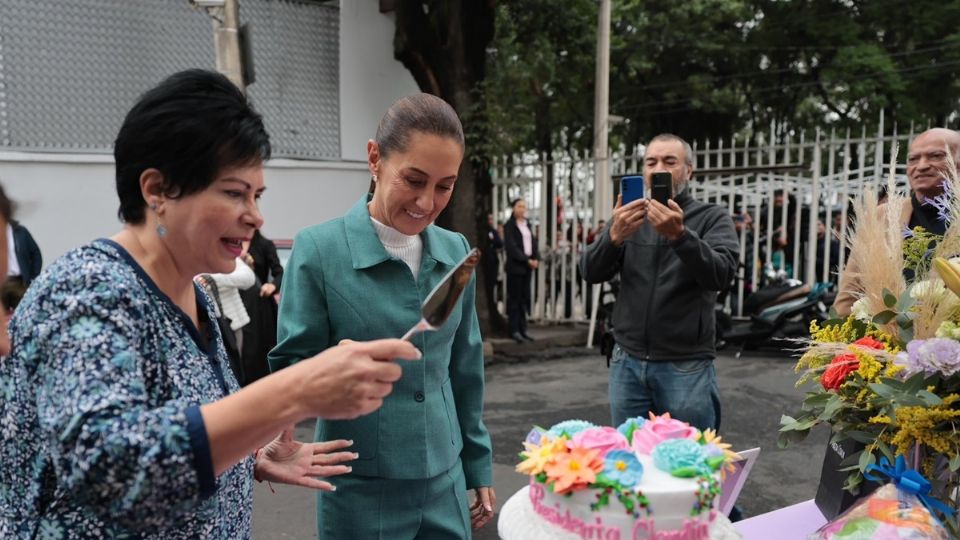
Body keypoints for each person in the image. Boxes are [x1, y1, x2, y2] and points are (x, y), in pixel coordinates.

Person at [0, 69, 421, 539]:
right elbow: (109, 469)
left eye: (257, 195)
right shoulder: (87, 291)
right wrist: (293, 391)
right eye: (234, 192)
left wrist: (248, 456)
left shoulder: (192, 290)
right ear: (157, 190)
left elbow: (177, 431)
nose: (255, 215)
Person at [268, 93, 495, 539]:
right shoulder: (319, 250)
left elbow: (465, 369)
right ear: (375, 159)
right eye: (413, 180)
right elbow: (291, 369)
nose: (426, 202)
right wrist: (334, 368)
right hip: (360, 488)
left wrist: (477, 464)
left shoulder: (454, 253)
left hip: (445, 478)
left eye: (444, 186)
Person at [580, 133, 739, 431]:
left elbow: (722, 274)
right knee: (629, 463)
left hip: (685, 365)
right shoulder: (628, 218)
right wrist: (613, 237)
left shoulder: (711, 217)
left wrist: (681, 236)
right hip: (626, 361)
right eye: (651, 162)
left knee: (691, 465)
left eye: (669, 161)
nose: (658, 169)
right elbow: (590, 271)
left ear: (688, 170)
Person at [834, 128, 960, 315]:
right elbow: (850, 293)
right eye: (913, 159)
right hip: (885, 340)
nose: (922, 166)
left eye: (935, 156)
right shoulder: (881, 217)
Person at [238, 228, 284, 385]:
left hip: (259, 304)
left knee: (256, 348)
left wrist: (271, 286)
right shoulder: (230, 243)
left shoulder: (264, 244)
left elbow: (279, 273)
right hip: (235, 303)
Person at [0, 184, 41, 312]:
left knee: (22, 313)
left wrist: (32, 278)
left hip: (18, 281)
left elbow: (36, 254)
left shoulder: (20, 232)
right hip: (3, 285)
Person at [503, 198, 540, 343]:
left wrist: (536, 258)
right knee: (515, 300)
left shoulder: (527, 224)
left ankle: (523, 329)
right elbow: (511, 248)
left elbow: (533, 243)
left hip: (528, 268)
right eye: (519, 206)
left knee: (525, 299)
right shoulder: (509, 226)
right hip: (516, 267)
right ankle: (514, 330)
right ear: (513, 208)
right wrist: (527, 260)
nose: (522, 209)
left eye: (524, 206)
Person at [481, 212, 503, 314]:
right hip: (485, 263)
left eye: (492, 219)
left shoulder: (493, 231)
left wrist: (492, 243)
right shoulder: (483, 230)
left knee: (492, 286)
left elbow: (499, 243)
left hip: (493, 263)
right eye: (489, 219)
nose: (490, 221)